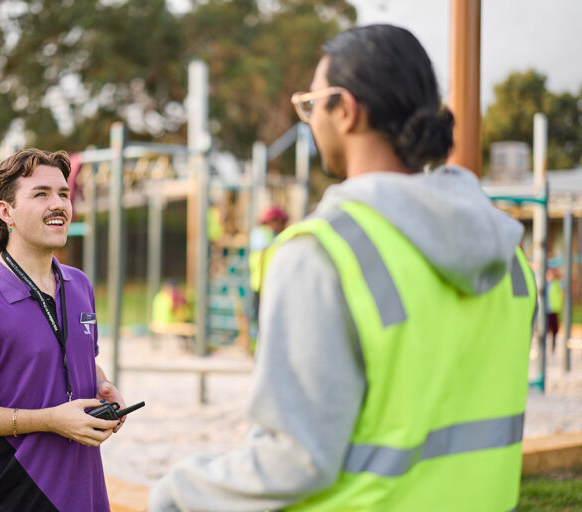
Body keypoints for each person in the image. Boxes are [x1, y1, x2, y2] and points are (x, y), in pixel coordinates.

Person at [150, 24, 536, 511]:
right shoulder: (511, 259)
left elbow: (294, 460)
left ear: (347, 110)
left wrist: (177, 491)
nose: (310, 121)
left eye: (310, 106)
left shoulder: (323, 253)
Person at [0, 149, 125, 512]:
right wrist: (50, 420)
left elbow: (77, 360)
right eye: (41, 194)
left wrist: (104, 389)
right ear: (6, 213)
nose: (59, 204)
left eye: (63, 194)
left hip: (84, 489)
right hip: (15, 492)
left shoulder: (80, 285)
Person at [547, 267, 563, 352]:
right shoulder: (545, 284)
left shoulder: (557, 283)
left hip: (554, 310)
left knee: (554, 330)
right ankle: (545, 346)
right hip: (546, 311)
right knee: (545, 329)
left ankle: (553, 346)